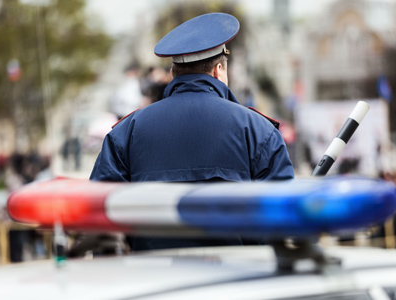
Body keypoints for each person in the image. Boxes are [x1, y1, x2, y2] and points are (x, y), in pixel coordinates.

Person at [90, 13, 294, 251]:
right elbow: (282, 220)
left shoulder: (126, 132)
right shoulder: (259, 131)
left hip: (152, 280)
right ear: (219, 70)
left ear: (174, 74)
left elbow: (99, 218)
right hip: (239, 281)